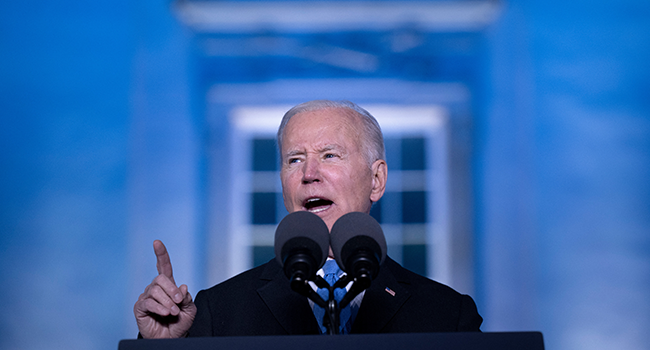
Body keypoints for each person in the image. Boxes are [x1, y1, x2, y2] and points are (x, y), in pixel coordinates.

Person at [133, 100, 482, 338]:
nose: (309, 174)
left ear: (376, 180)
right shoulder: (216, 312)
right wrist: (162, 347)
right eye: (294, 160)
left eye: (330, 155)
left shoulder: (448, 315)